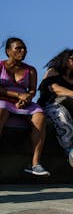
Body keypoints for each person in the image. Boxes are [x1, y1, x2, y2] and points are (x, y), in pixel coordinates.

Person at [38, 49, 73, 169]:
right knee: (62, 114)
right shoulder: (53, 72)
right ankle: (69, 149)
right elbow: (54, 88)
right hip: (52, 104)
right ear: (64, 59)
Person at [0, 38, 49, 176]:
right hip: (3, 99)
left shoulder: (30, 70)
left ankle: (35, 163)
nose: (23, 51)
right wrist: (17, 95)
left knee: (40, 115)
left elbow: (32, 90)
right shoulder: (0, 66)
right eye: (18, 48)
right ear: (8, 51)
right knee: (1, 110)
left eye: (24, 48)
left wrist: (27, 98)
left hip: (23, 103)